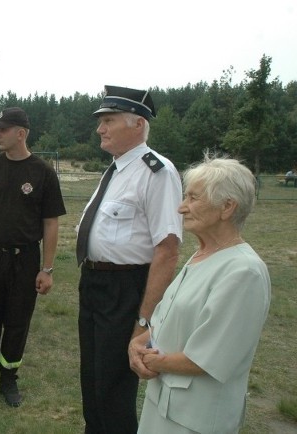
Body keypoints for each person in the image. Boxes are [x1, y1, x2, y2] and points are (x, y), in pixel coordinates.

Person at [128, 154, 271, 433]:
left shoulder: (243, 272)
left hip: (196, 417)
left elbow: (210, 356)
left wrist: (152, 360)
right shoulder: (202, 254)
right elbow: (168, 321)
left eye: (193, 198)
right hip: (163, 404)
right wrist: (138, 344)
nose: (181, 208)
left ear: (227, 207)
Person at [75, 85, 183, 433]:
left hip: (124, 288)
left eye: (108, 120)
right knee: (92, 378)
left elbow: (167, 249)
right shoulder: (117, 170)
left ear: (137, 124)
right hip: (93, 283)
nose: (99, 129)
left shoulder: (157, 172)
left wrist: (144, 320)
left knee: (113, 386)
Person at [0, 107, 66, 407]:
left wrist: (47, 269)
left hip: (25, 260)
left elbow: (50, 223)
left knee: (17, 321)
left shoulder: (42, 172)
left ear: (21, 133)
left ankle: (9, 380)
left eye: (3, 129)